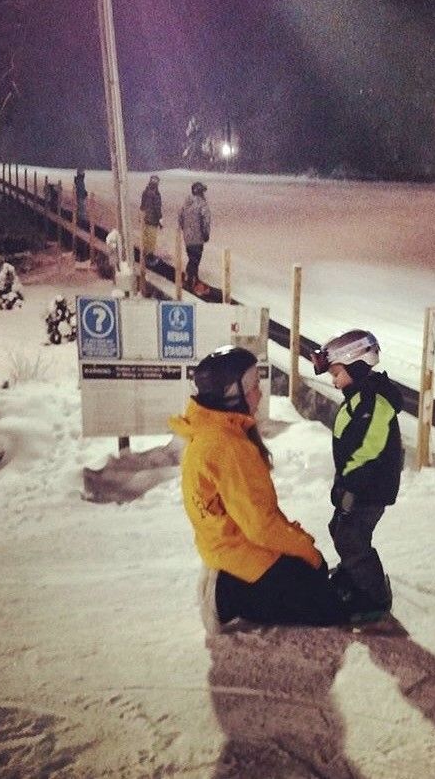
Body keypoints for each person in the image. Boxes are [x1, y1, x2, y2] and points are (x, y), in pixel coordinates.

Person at [170, 346, 349, 634]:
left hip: (227, 548)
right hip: (238, 556)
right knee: (328, 608)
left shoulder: (214, 432)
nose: (259, 394)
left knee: (312, 575)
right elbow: (260, 527)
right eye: (253, 387)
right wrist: (308, 551)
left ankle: (231, 586)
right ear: (232, 394)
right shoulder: (228, 446)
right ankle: (228, 595)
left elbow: (258, 513)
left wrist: (299, 544)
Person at [312, 329, 404, 621]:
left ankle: (374, 598)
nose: (333, 379)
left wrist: (348, 485)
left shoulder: (375, 402)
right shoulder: (358, 398)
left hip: (370, 486)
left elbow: (367, 449)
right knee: (339, 529)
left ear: (355, 364)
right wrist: (342, 483)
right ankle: (354, 575)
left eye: (336, 372)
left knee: (352, 537)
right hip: (357, 483)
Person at [178, 181, 211, 296]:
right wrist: (206, 234)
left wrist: (185, 230)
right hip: (197, 237)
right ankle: (189, 281)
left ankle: (193, 278)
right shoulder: (202, 204)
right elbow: (206, 221)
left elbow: (180, 218)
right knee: (195, 260)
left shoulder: (186, 203)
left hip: (188, 237)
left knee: (192, 258)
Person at [139, 174, 162, 266]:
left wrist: (141, 217)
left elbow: (142, 206)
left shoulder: (145, 192)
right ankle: (149, 258)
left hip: (145, 219)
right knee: (151, 240)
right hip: (152, 220)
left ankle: (144, 256)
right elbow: (157, 208)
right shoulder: (155, 194)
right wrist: (160, 219)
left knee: (146, 238)